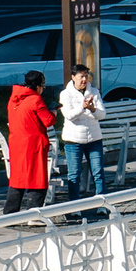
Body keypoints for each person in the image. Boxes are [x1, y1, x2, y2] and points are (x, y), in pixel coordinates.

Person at [3, 69, 55, 215]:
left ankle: (10, 213)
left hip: (17, 144)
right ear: (38, 87)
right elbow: (48, 120)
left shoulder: (14, 99)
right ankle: (34, 213)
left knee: (17, 179)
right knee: (37, 179)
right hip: (33, 145)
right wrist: (54, 112)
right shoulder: (35, 100)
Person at [58, 64, 106, 199]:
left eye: (86, 76)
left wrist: (92, 109)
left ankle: (102, 202)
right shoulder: (65, 94)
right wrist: (83, 107)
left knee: (98, 172)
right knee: (74, 173)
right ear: (73, 77)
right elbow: (69, 115)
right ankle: (75, 205)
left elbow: (102, 115)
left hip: (94, 138)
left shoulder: (94, 92)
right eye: (81, 77)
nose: (84, 80)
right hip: (73, 140)